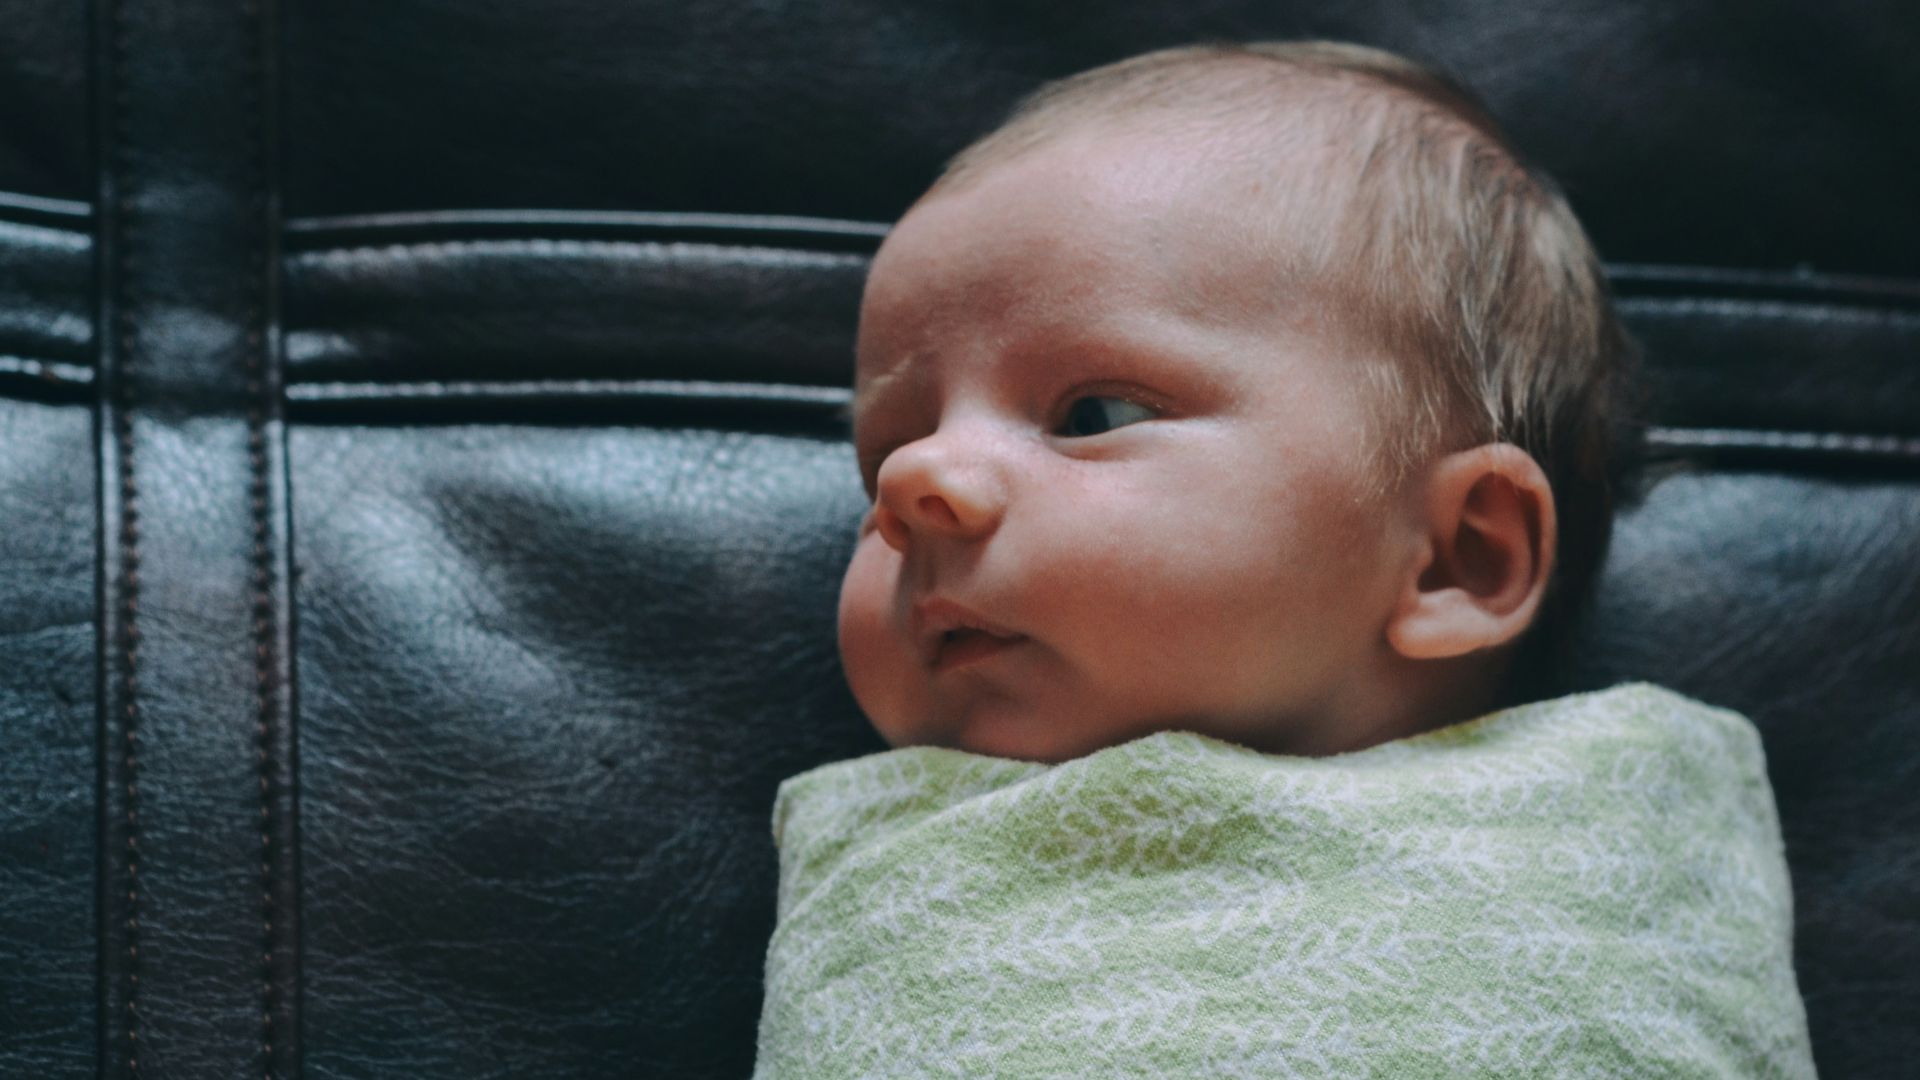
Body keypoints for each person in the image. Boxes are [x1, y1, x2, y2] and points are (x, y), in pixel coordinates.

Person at [756, 41, 1816, 1076]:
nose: (911, 485)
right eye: (888, 449)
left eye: (1095, 412)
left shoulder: (1621, 854)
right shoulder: (893, 862)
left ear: (1457, 559)